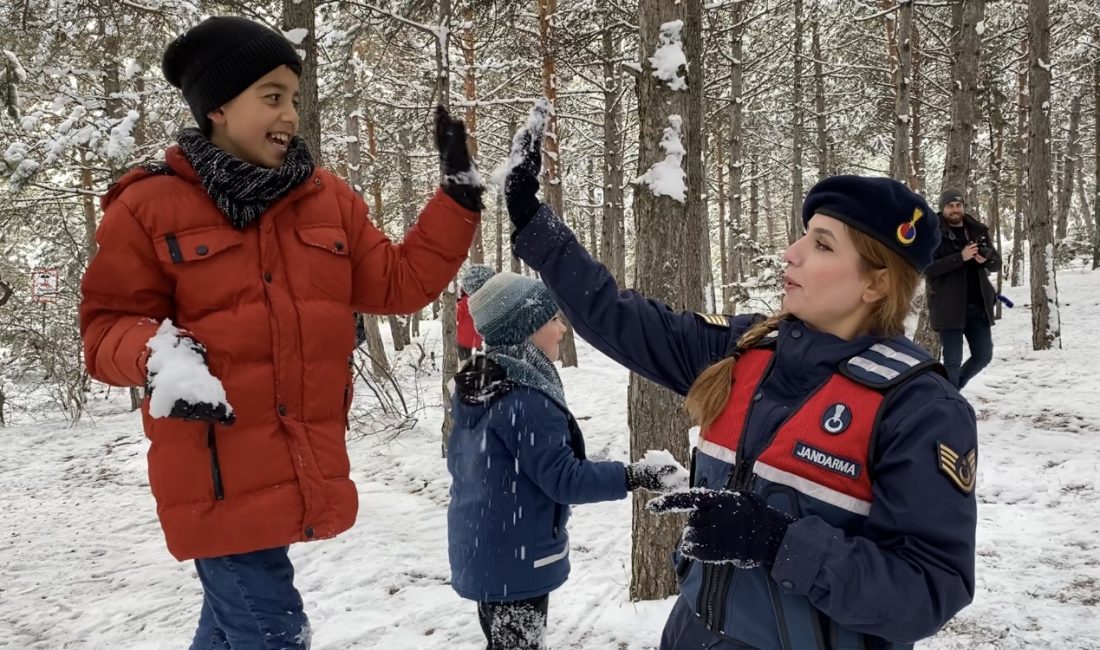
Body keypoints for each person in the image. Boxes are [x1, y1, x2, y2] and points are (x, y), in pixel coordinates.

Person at [79, 16, 482, 649]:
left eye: (293, 97)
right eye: (271, 96)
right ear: (217, 106)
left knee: (236, 630)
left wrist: (457, 199)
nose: (290, 114)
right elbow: (105, 329)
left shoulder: (329, 200)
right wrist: (156, 356)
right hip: (211, 473)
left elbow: (399, 284)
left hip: (296, 463)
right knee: (272, 633)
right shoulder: (147, 208)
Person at [502, 121, 977, 650]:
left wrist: (776, 541)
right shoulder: (744, 351)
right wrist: (533, 221)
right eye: (803, 236)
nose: (791, 254)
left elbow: (930, 590)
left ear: (876, 282)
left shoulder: (918, 408)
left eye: (821, 245)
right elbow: (613, 316)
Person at [447, 270, 685, 650]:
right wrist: (633, 476)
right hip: (514, 560)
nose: (562, 329)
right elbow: (565, 478)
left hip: (486, 551)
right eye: (552, 319)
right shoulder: (524, 398)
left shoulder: (483, 386)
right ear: (526, 328)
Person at [925, 189, 1002, 389]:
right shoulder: (932, 233)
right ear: (943, 208)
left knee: (983, 356)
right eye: (950, 206)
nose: (955, 209)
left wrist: (987, 259)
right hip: (948, 308)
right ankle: (949, 405)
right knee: (952, 362)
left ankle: (951, 393)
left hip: (978, 307)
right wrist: (960, 257)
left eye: (959, 205)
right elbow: (928, 269)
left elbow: (996, 264)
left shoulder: (977, 229)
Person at [456, 264, 493, 361]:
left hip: (463, 337)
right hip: (476, 337)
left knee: (463, 358)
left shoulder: (464, 302)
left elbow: (456, 316)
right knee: (471, 356)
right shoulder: (482, 301)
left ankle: (466, 367)